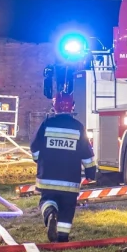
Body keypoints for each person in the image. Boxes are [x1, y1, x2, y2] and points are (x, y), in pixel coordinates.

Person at [30, 92, 95, 242]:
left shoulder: (47, 124)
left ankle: (50, 213)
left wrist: (38, 160)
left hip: (48, 177)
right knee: (67, 207)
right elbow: (86, 152)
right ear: (72, 107)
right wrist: (91, 171)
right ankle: (63, 237)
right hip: (70, 179)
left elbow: (34, 146)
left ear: (55, 107)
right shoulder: (78, 127)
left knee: (46, 200)